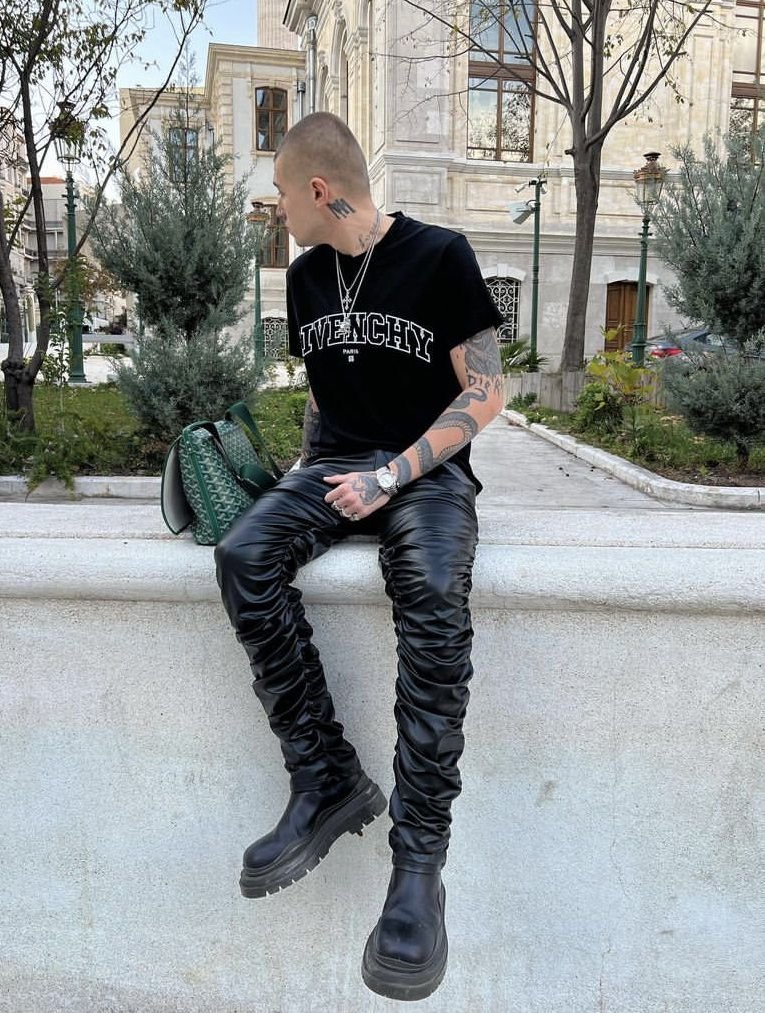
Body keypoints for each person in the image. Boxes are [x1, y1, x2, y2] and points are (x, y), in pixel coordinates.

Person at [215, 112, 504, 1002]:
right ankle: (325, 775)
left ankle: (418, 865)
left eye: (280, 194)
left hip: (426, 472)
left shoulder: (441, 255)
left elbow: (487, 392)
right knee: (244, 553)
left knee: (430, 585)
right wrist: (296, 485)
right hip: (337, 466)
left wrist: (394, 473)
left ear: (318, 189)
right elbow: (323, 401)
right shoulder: (305, 277)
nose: (277, 211)